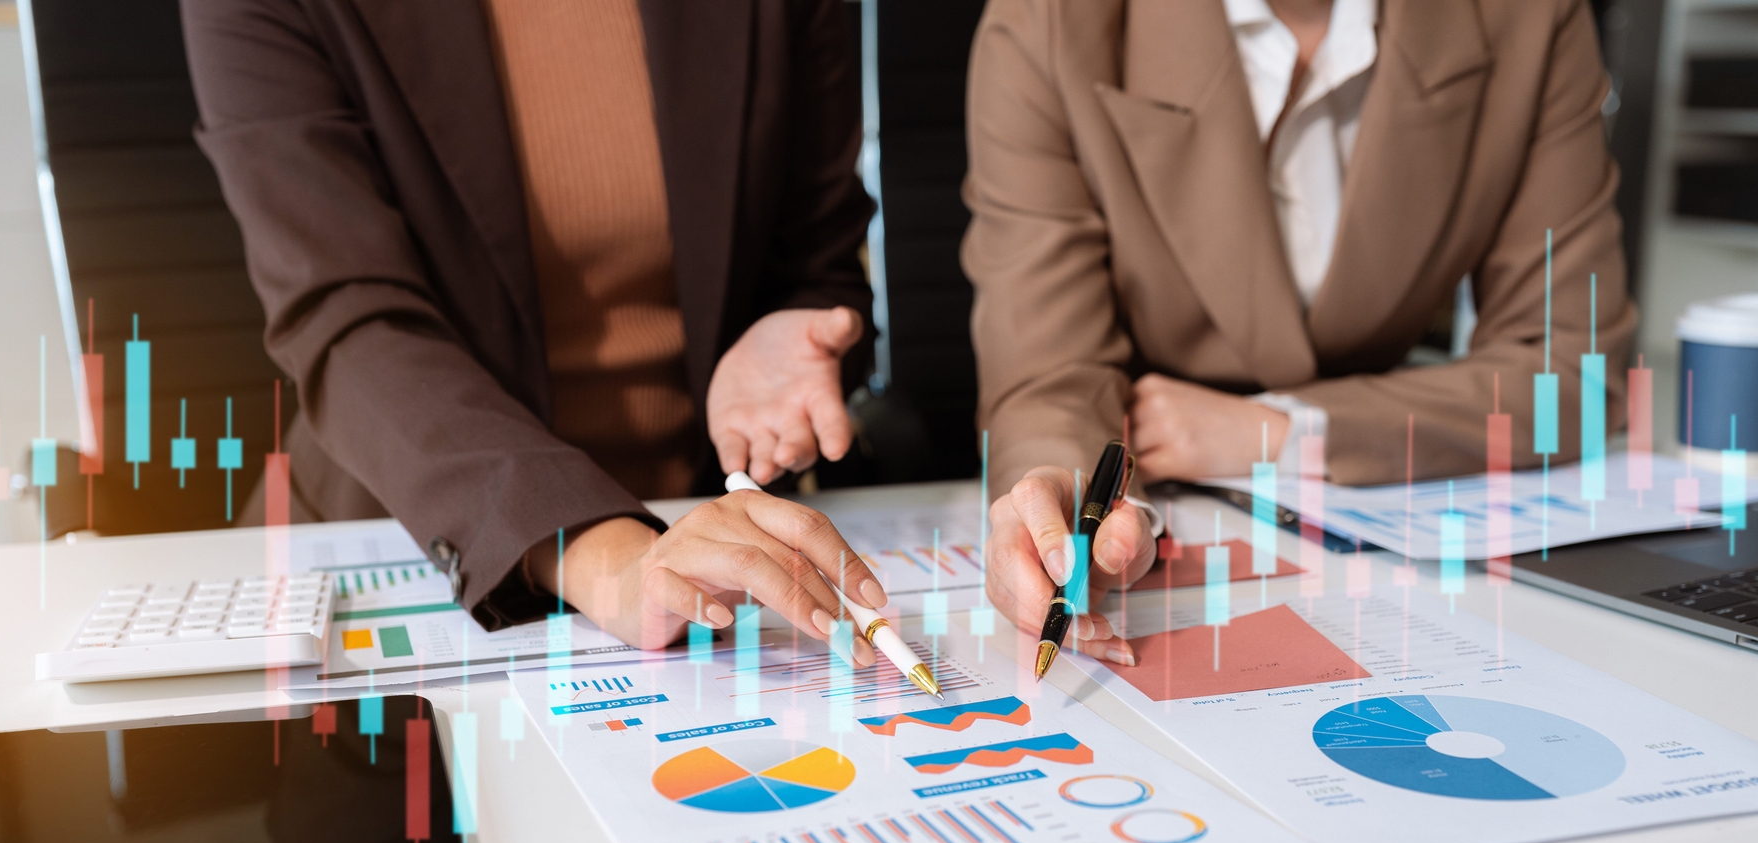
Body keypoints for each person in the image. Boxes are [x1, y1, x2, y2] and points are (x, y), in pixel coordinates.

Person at [183, 0, 886, 658]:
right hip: (410, 562)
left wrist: (795, 330)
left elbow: (818, 255)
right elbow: (347, 315)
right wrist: (610, 558)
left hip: (711, 549)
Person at [964, 0, 1637, 662]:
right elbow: (1048, 367)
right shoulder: (1048, 19)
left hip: (1374, 533)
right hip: (1158, 501)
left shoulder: (1528, 18)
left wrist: (1284, 429)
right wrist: (1053, 480)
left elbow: (1568, 367)